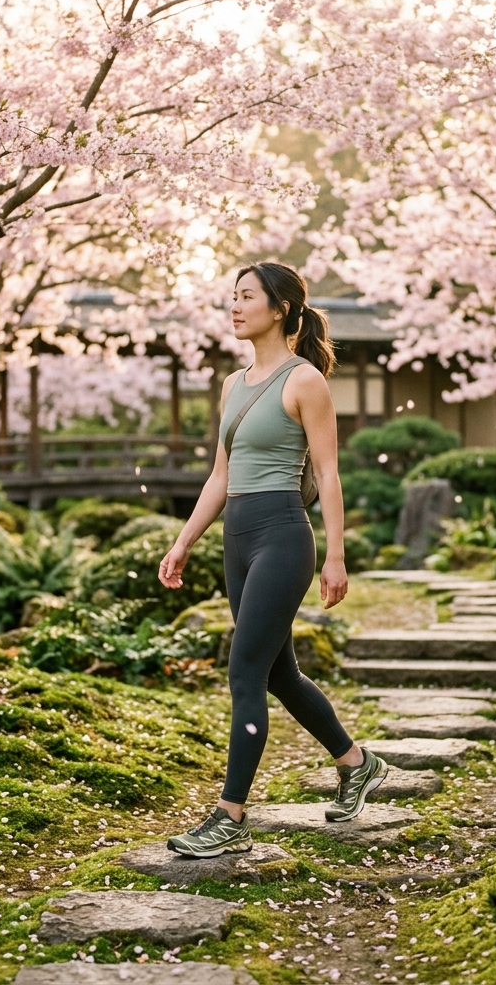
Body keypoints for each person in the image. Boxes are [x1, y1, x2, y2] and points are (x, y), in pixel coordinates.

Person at [159, 261, 388, 858]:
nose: (234, 307)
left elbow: (330, 472)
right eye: (231, 297)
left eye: (247, 297)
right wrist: (184, 542)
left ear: (280, 307)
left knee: (243, 673)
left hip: (284, 538)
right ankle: (357, 763)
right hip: (237, 539)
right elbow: (220, 474)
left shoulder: (304, 380)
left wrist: (336, 555)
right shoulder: (233, 386)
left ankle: (230, 814)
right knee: (278, 673)